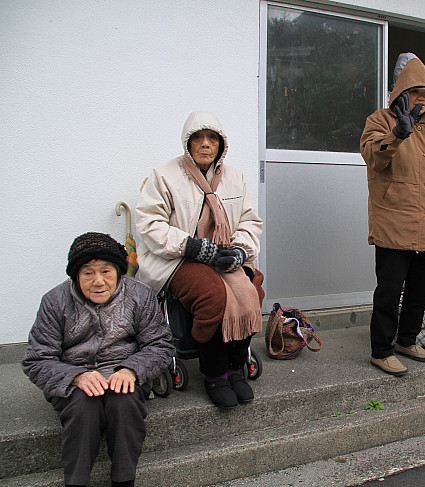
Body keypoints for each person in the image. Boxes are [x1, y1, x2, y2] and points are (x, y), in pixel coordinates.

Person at [22, 232, 174, 487]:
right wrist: (75, 376)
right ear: (76, 276)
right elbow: (37, 358)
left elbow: (160, 343)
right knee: (84, 406)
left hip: (123, 369)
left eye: (106, 271)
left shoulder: (140, 294)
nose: (98, 281)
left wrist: (132, 370)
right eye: (88, 273)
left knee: (122, 401)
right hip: (73, 373)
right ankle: (77, 482)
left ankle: (124, 481)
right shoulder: (54, 301)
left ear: (119, 271)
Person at [135, 111, 264, 409]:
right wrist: (193, 247)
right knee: (213, 295)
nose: (205, 144)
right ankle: (215, 373)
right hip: (179, 258)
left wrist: (240, 251)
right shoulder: (164, 176)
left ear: (221, 144)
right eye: (198, 138)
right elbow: (149, 224)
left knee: (251, 289)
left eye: (212, 138)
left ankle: (234, 367)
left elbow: (249, 221)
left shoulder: (235, 177)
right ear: (187, 143)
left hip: (223, 253)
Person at [361, 56, 425, 376]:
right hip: (394, 221)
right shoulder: (380, 121)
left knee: (423, 288)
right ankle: (381, 350)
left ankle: (407, 340)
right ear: (401, 92)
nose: (423, 99)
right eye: (416, 92)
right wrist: (398, 134)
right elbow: (373, 157)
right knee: (389, 289)